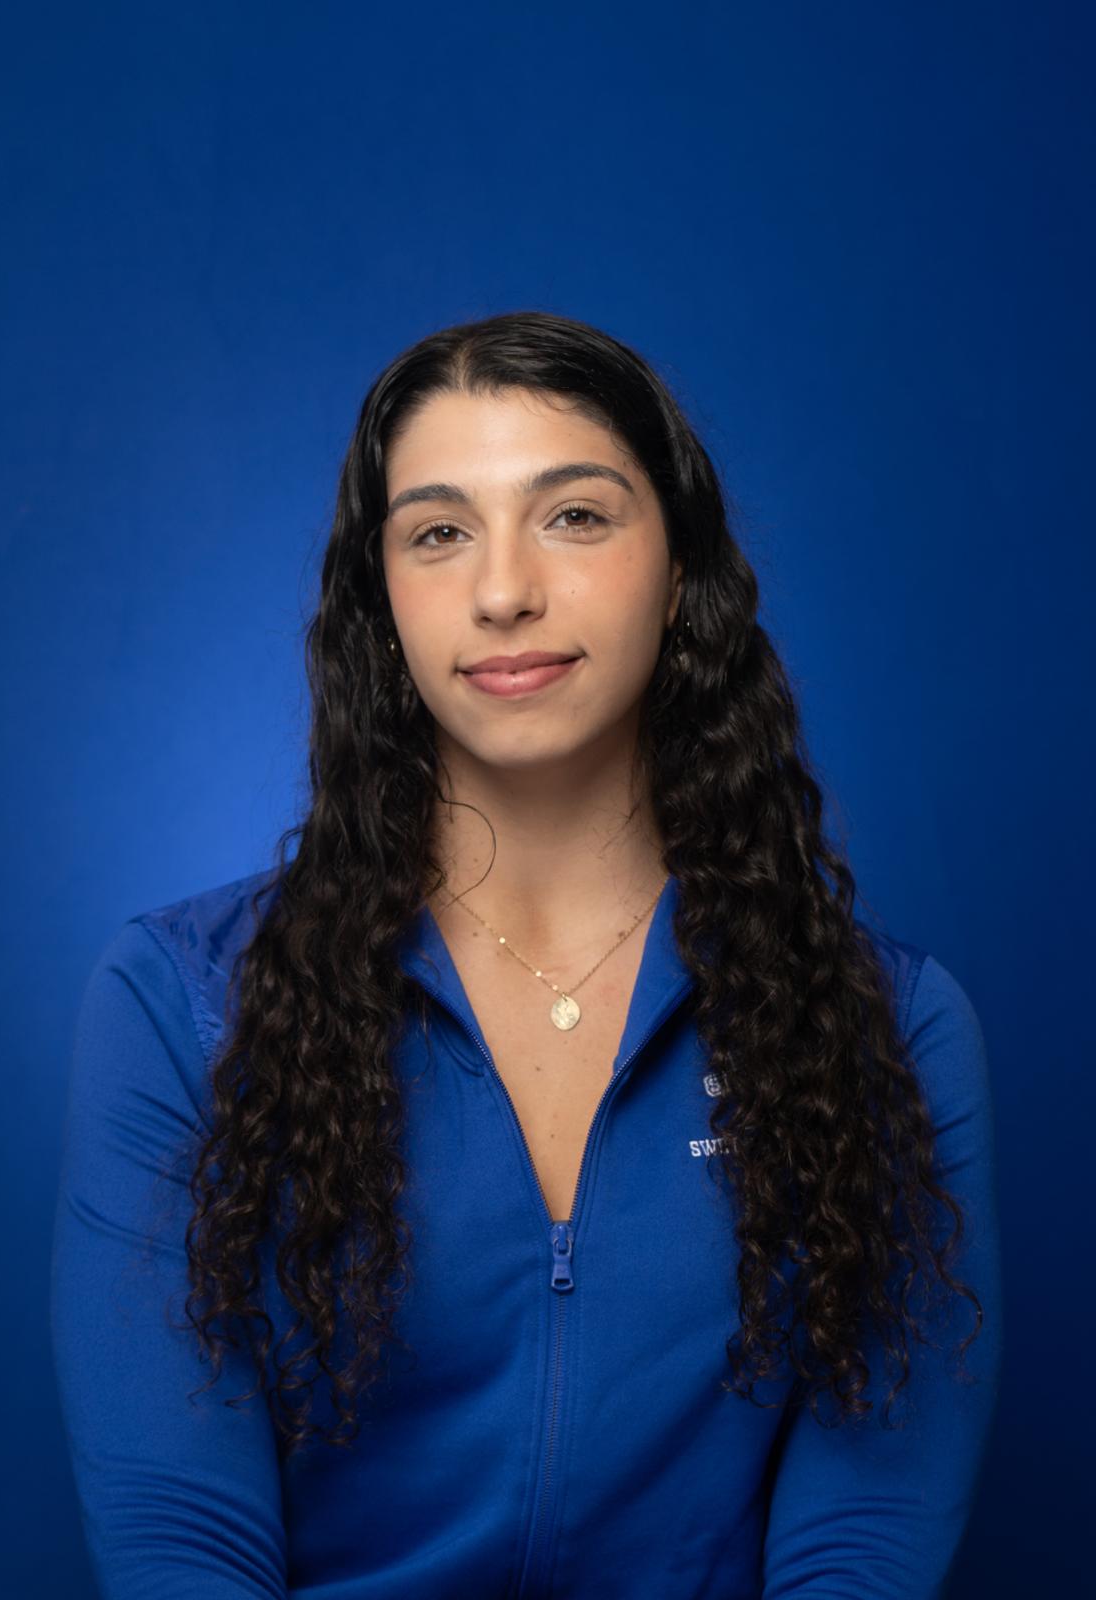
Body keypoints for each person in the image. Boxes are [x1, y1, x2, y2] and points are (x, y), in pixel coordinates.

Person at [50, 310, 1003, 1599]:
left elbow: (868, 1532)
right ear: (382, 600)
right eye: (439, 533)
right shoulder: (181, 1003)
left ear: (683, 573)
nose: (504, 592)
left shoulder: (891, 1025)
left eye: (575, 516)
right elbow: (179, 1541)